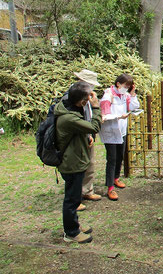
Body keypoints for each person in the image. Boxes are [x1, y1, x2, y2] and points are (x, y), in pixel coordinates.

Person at [54, 81, 102, 243]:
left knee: (73, 197)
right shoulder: (69, 118)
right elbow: (94, 127)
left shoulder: (69, 107)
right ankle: (71, 233)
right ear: (82, 102)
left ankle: (74, 224)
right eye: (86, 100)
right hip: (72, 163)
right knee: (72, 199)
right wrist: (95, 108)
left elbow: (81, 131)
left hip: (75, 159)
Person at [99, 73, 140, 201]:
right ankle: (110, 187)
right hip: (110, 131)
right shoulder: (108, 96)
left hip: (121, 130)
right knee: (112, 159)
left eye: (129, 86)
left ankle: (116, 178)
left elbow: (134, 107)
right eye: (125, 86)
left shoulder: (125, 95)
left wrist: (133, 94)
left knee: (120, 156)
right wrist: (119, 117)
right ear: (118, 84)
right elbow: (104, 116)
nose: (126, 88)